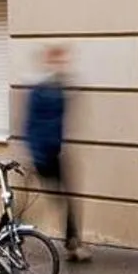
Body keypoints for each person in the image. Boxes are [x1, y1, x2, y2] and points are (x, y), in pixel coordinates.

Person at [23, 44, 86, 260]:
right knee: (34, 204)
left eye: (64, 61)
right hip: (43, 155)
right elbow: (31, 125)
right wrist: (36, 155)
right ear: (49, 62)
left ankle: (72, 244)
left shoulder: (56, 88)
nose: (63, 64)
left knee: (63, 199)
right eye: (59, 61)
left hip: (54, 153)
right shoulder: (41, 91)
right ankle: (11, 238)